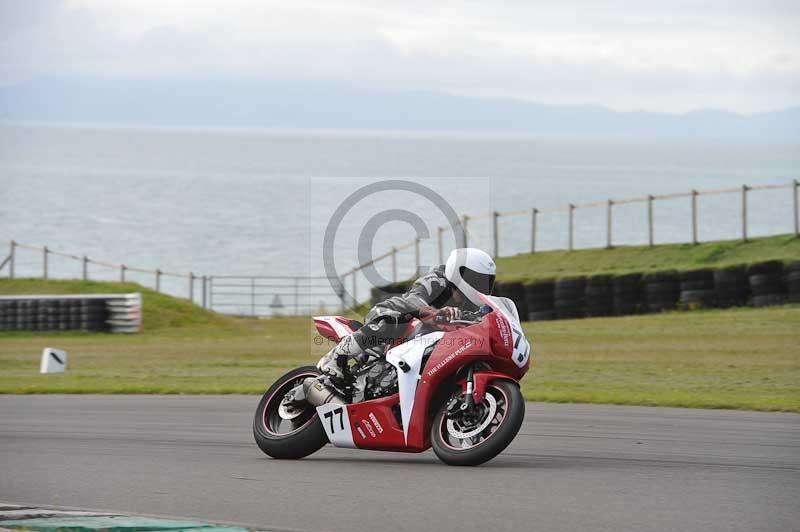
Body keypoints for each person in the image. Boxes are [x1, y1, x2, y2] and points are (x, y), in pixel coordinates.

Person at [317, 247, 496, 378]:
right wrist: (435, 313)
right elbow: (414, 299)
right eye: (477, 280)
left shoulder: (471, 304)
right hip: (392, 316)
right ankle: (336, 356)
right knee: (391, 322)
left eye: (486, 282)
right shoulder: (436, 280)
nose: (481, 286)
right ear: (460, 273)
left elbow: (486, 320)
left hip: (422, 344)